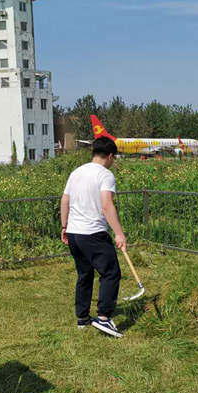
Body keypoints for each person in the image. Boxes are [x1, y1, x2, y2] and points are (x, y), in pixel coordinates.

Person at [60, 137, 126, 338]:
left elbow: (65, 200)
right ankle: (104, 318)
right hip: (93, 233)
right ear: (110, 156)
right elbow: (107, 205)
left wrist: (64, 226)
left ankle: (82, 318)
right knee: (111, 273)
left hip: (74, 232)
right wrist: (119, 233)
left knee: (85, 273)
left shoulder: (77, 172)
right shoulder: (105, 175)